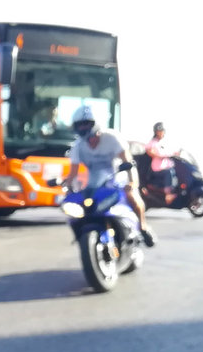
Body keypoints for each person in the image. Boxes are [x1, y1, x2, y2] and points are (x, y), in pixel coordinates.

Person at [62, 105, 155, 246]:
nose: (82, 128)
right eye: (79, 125)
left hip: (117, 178)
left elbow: (128, 161)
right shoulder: (78, 146)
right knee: (77, 208)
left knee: (132, 196)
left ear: (94, 124)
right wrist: (68, 188)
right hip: (93, 184)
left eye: (86, 124)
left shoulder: (112, 138)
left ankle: (143, 227)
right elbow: (73, 173)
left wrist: (132, 183)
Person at [145, 122, 181, 201]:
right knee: (169, 172)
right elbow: (152, 153)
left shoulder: (163, 143)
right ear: (156, 132)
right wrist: (164, 155)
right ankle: (168, 194)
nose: (161, 133)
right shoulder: (152, 143)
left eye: (162, 131)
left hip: (166, 167)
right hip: (157, 169)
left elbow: (170, 152)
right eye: (159, 131)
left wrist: (175, 154)